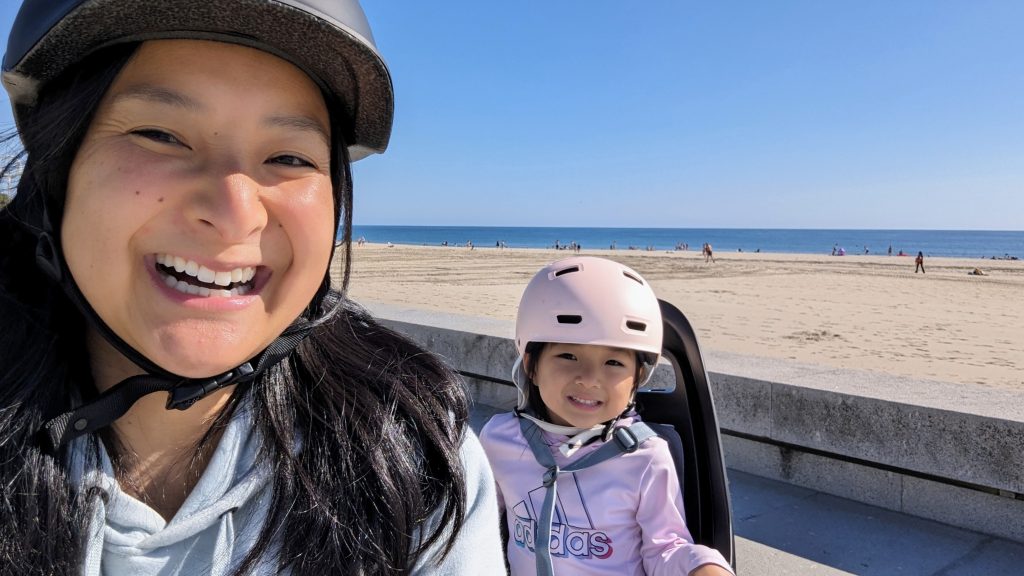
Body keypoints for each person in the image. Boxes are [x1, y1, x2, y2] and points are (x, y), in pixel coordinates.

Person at [0, 1, 505, 574]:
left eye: (289, 156)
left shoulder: (411, 459)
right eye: (160, 134)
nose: (237, 213)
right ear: (55, 171)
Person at [479, 256, 734, 576]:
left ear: (638, 377)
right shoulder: (499, 439)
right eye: (568, 355)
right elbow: (475, 523)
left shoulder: (646, 458)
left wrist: (703, 567)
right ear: (531, 365)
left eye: (614, 362)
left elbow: (665, 548)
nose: (589, 378)